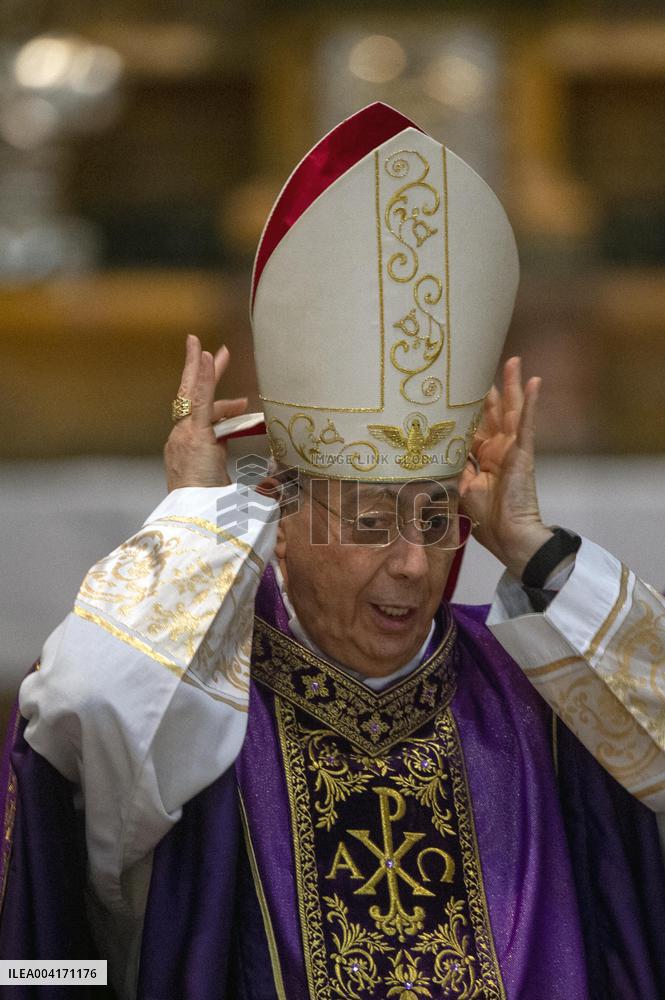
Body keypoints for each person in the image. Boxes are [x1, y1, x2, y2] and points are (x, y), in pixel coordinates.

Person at [3, 102, 665, 1000]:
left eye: (436, 522)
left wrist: (531, 547)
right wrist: (196, 517)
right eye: (365, 523)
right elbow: (90, 704)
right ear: (278, 510)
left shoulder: (532, 691)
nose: (411, 565)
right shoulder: (204, 707)